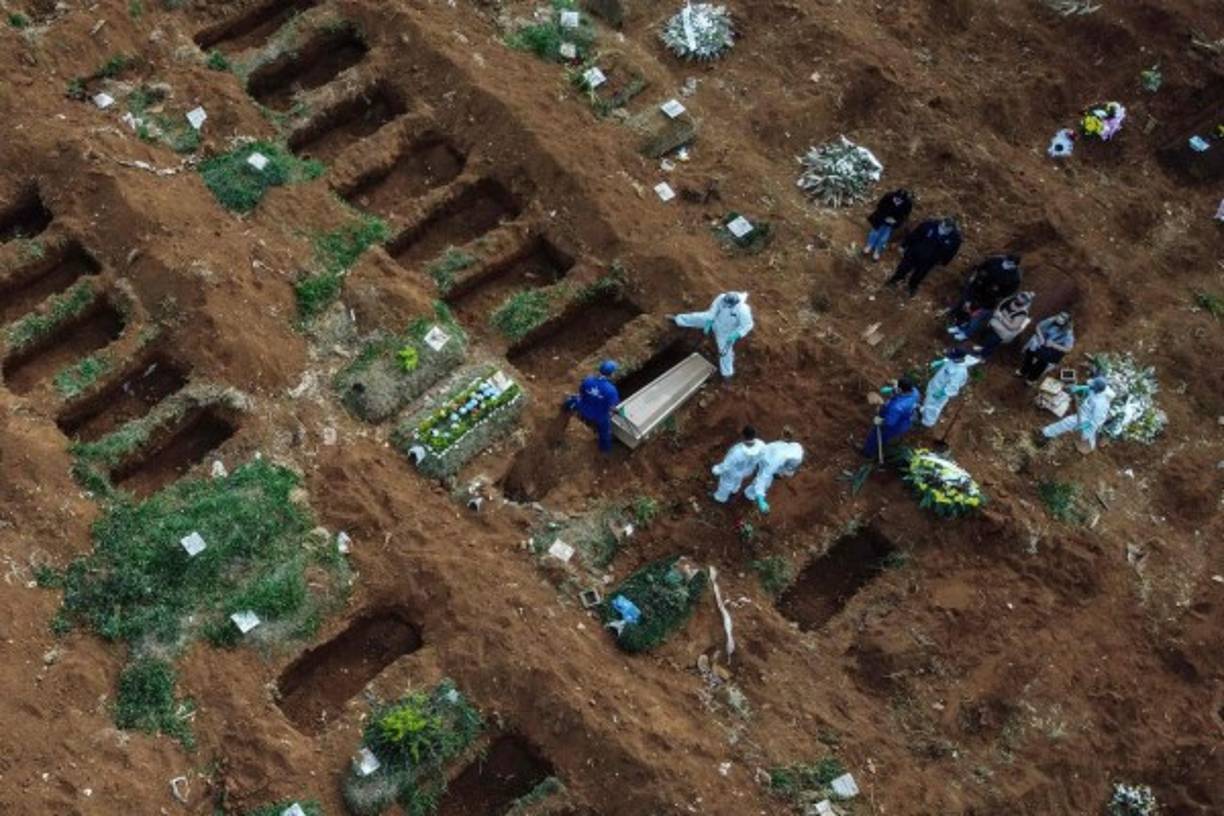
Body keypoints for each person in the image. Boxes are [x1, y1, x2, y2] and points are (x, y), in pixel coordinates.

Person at [673, 291, 754, 378]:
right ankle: (678, 320)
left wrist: (736, 334)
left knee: (725, 353)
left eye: (727, 305)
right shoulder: (721, 298)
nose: (725, 305)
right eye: (724, 303)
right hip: (715, 321)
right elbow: (713, 311)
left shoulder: (743, 310)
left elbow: (747, 325)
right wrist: (709, 322)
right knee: (697, 317)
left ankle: (727, 373)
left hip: (726, 332)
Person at [885, 217, 962, 295]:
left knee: (919, 275)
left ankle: (911, 287)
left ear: (952, 228)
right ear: (942, 223)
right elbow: (914, 235)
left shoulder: (955, 239)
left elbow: (952, 252)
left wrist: (944, 262)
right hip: (914, 253)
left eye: (947, 228)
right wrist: (904, 245)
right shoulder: (929, 225)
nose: (944, 229)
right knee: (903, 268)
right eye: (943, 226)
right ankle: (894, 280)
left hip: (929, 261)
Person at [1039, 377, 1114, 453]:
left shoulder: (1101, 404)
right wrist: (1079, 388)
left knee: (1066, 423)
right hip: (1084, 411)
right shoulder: (1099, 389)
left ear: (1097, 389)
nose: (1091, 387)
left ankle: (1045, 434)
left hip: (1088, 420)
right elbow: (1090, 388)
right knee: (1068, 425)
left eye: (1093, 386)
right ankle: (1047, 434)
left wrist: (1085, 426)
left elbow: (1097, 420)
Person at [563, 360, 621, 453]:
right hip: (598, 416)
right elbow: (612, 407)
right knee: (605, 433)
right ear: (612, 374)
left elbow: (581, 393)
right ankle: (605, 450)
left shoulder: (588, 380)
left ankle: (565, 409)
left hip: (582, 407)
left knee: (572, 399)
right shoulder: (612, 390)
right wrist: (617, 411)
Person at [954, 290, 1033, 357]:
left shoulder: (1022, 313)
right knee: (985, 337)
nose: (1020, 299)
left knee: (991, 342)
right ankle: (981, 348)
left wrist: (1001, 317)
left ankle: (982, 356)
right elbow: (1000, 307)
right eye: (1021, 296)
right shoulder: (1010, 300)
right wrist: (1001, 316)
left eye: (1023, 299)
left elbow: (1013, 326)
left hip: (1002, 332)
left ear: (1026, 302)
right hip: (993, 323)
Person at [947, 254, 1022, 325]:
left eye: (1010, 263)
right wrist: (976, 275)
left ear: (1015, 265)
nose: (1007, 264)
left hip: (989, 295)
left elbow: (1009, 291)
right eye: (1006, 261)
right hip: (978, 284)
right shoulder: (996, 260)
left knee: (973, 308)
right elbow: (981, 266)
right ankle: (953, 313)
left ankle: (961, 321)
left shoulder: (1015, 277)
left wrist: (998, 293)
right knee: (965, 299)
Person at [862, 377, 921, 459]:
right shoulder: (915, 392)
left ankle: (868, 453)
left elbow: (889, 423)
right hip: (906, 420)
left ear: (900, 389)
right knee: (886, 436)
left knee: (876, 436)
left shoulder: (897, 407)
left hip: (895, 425)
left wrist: (880, 421)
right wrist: (893, 390)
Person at [744, 439, 804, 513]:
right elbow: (762, 479)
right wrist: (761, 500)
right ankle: (750, 494)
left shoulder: (798, 450)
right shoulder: (774, 462)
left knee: (779, 470)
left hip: (774, 451)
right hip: (766, 459)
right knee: (766, 483)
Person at [921, 348, 975, 428]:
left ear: (959, 358)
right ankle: (924, 411)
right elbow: (949, 360)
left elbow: (953, 388)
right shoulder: (954, 360)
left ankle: (927, 422)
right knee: (928, 401)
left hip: (939, 392)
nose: (951, 357)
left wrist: (942, 393)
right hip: (935, 385)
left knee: (933, 407)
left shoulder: (960, 372)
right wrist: (941, 362)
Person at [711, 425, 765, 503]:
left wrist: (717, 470)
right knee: (738, 479)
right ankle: (734, 490)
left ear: (743, 436)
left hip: (733, 472)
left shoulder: (737, 452)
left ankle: (720, 498)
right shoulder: (761, 445)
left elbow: (726, 465)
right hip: (747, 471)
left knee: (726, 484)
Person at [1017, 312, 1075, 384]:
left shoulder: (1068, 334)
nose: (1059, 318)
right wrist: (1041, 337)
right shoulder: (1051, 320)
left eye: (1063, 318)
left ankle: (1031, 378)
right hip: (1042, 342)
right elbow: (1038, 327)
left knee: (1042, 363)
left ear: (1066, 322)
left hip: (1052, 350)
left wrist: (1053, 345)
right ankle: (1024, 370)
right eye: (1060, 316)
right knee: (1029, 353)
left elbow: (1068, 349)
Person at [863, 189, 913, 261]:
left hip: (892, 222)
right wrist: (884, 217)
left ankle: (877, 250)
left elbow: (905, 215)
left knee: (884, 236)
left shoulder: (908, 203)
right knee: (875, 232)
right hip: (881, 218)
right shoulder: (888, 196)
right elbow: (880, 206)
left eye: (900, 200)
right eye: (897, 198)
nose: (898, 200)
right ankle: (869, 245)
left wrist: (896, 221)